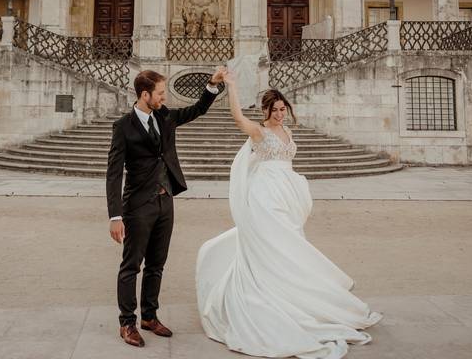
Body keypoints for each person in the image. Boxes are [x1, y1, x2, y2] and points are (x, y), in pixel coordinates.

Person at [196, 70, 382, 358]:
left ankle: (293, 295)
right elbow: (237, 119)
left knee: (289, 247)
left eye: (284, 109)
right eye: (275, 110)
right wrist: (231, 86)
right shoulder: (260, 132)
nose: (281, 114)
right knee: (273, 244)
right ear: (266, 111)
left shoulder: (288, 131)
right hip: (264, 197)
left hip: (286, 195)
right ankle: (267, 297)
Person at [107, 67, 226, 347]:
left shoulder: (164, 116)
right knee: (131, 266)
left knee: (157, 264)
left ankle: (149, 316)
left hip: (165, 201)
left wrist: (212, 84)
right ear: (144, 94)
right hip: (137, 206)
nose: (164, 97)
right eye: (160, 93)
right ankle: (127, 323)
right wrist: (115, 215)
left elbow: (197, 110)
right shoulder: (123, 127)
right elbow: (113, 173)